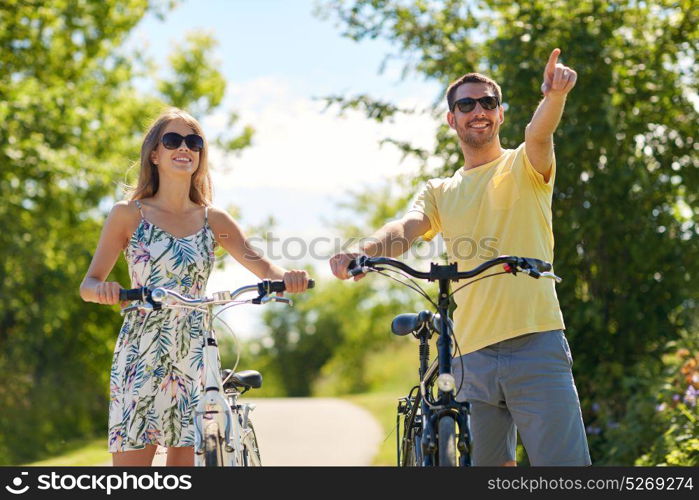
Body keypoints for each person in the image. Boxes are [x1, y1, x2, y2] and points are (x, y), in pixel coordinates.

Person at [329, 49, 591, 466]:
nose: (478, 111)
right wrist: (365, 251)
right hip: (470, 357)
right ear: (452, 119)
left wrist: (554, 96)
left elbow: (539, 134)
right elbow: (405, 229)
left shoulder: (524, 166)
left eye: (488, 102)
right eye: (465, 104)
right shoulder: (439, 190)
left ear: (500, 114)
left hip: (536, 344)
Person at [80, 107, 310, 466]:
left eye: (194, 141)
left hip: (195, 350)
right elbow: (88, 285)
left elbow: (263, 267)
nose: (183, 147)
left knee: (185, 469)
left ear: (201, 154)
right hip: (142, 348)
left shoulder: (212, 219)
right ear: (154, 154)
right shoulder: (128, 214)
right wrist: (104, 290)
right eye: (172, 140)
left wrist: (289, 278)